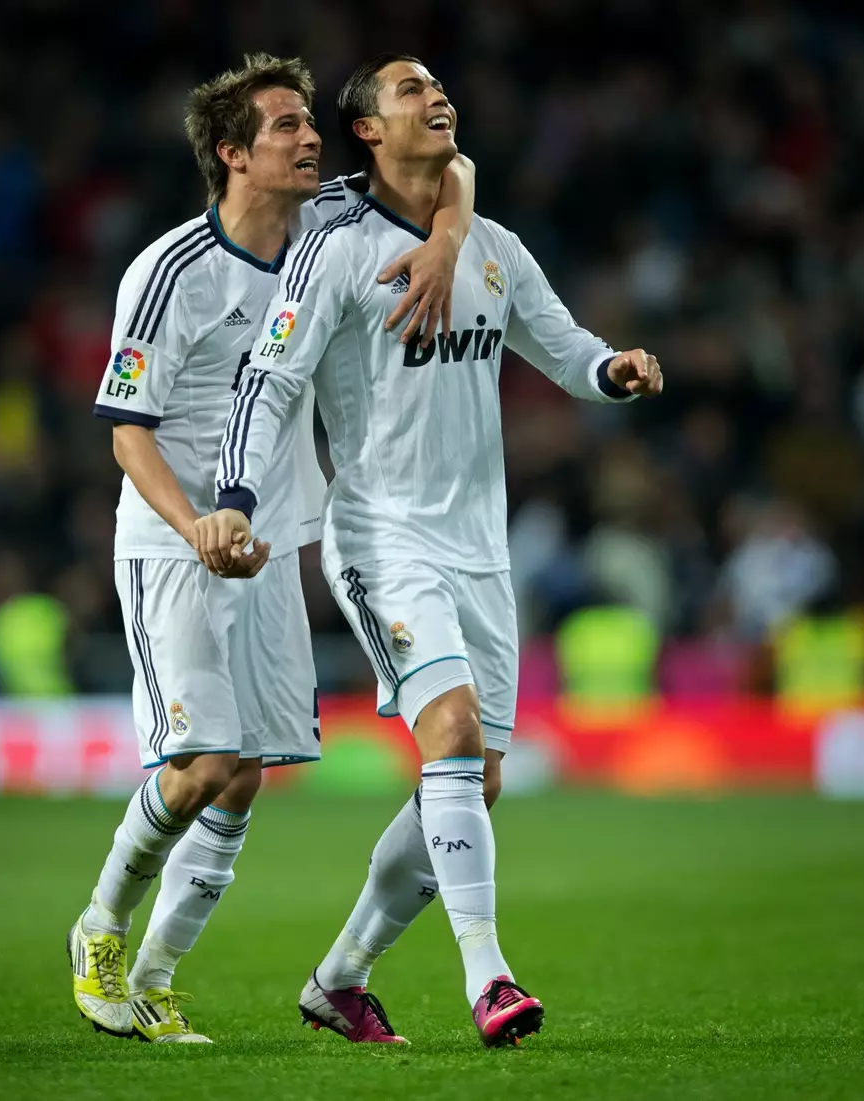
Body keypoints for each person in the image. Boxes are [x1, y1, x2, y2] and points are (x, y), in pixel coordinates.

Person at [196, 54, 663, 1048]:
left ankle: (340, 976)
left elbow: (562, 345)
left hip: (480, 551)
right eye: (409, 91)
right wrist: (235, 495)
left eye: (438, 85)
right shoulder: (331, 252)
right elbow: (268, 383)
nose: (436, 96)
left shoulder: (491, 244)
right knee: (447, 734)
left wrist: (612, 369)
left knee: (475, 778)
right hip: (382, 535)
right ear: (365, 130)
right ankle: (489, 978)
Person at [70, 52, 476, 1045]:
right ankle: (102, 926)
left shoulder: (332, 227)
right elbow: (128, 428)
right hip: (175, 546)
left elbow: (452, 167)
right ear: (232, 153)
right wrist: (195, 521)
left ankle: (158, 979)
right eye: (287, 126)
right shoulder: (171, 270)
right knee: (205, 762)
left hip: (275, 543)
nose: (310, 139)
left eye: (310, 123)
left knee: (246, 777)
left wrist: (449, 238)